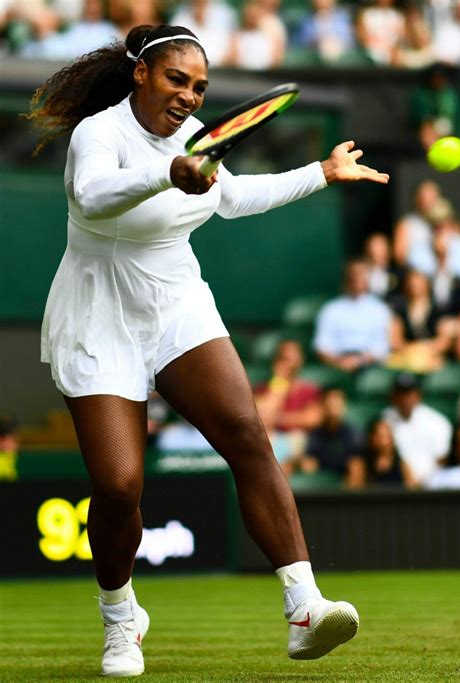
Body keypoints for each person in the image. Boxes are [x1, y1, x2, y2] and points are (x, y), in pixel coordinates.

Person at [28, 23, 389, 677]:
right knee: (117, 487)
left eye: (200, 86)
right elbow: (91, 196)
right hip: (95, 318)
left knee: (248, 433)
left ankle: (304, 606)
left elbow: (233, 197)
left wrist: (322, 172)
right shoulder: (98, 135)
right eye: (177, 79)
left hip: (176, 306)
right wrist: (168, 172)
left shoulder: (197, 140)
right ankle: (120, 618)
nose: (191, 96)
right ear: (141, 74)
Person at [313, 259, 395, 372]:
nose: (357, 277)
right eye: (353, 273)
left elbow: (382, 347)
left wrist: (359, 361)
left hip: (369, 365)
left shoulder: (380, 309)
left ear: (368, 278)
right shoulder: (330, 310)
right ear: (346, 277)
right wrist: (338, 362)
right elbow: (321, 346)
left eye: (361, 273)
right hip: (337, 363)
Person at [254, 339, 322, 475]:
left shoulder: (309, 390)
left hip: (298, 438)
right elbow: (261, 416)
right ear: (276, 361)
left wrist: (276, 418)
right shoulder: (264, 389)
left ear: (301, 361)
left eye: (294, 359)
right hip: (270, 437)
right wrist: (279, 382)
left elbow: (312, 420)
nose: (290, 364)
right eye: (284, 359)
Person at [383, 373, 452, 487]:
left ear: (419, 395)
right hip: (394, 487)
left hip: (431, 487)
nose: (404, 398)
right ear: (393, 396)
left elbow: (441, 460)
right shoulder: (384, 420)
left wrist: (423, 482)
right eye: (400, 393)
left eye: (409, 393)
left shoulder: (437, 422)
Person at [304, 387, 365, 489]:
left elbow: (356, 467)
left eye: (337, 405)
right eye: (330, 405)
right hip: (322, 485)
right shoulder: (316, 434)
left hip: (345, 485)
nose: (334, 408)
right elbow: (310, 465)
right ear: (324, 407)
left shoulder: (353, 434)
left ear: (344, 406)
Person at [363, 418, 416, 487]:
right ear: (371, 438)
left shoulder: (403, 466)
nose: (382, 441)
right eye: (378, 436)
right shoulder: (361, 464)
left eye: (385, 437)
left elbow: (412, 491)